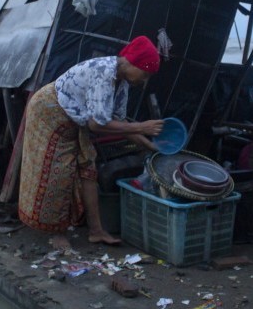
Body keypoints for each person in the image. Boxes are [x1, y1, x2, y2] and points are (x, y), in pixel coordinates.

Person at [18, 35, 164, 249]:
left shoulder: (122, 81)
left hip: (76, 118)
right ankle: (56, 232)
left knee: (88, 168)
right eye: (144, 74)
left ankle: (96, 231)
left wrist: (149, 145)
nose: (144, 81)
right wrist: (141, 127)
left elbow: (118, 121)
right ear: (131, 63)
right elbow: (97, 125)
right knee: (58, 171)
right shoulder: (103, 74)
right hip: (49, 113)